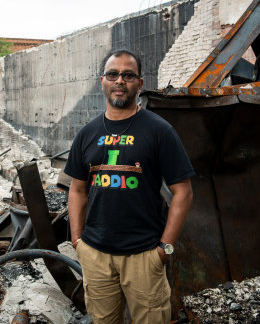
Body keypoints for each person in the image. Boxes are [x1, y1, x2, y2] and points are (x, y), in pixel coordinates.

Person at [65, 49, 195, 324]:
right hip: (96, 255)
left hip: (145, 257)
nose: (120, 80)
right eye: (113, 74)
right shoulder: (87, 134)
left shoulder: (159, 131)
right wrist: (78, 242)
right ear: (103, 81)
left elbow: (183, 191)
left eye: (128, 75)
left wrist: (165, 250)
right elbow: (77, 190)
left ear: (140, 83)